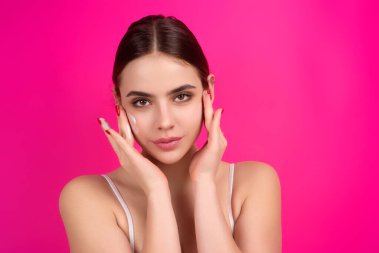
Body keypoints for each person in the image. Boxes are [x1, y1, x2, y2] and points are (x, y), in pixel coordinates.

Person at [59, 14, 282, 253]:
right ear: (119, 101)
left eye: (181, 97)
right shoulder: (88, 198)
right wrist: (156, 190)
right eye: (142, 101)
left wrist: (204, 182)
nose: (164, 122)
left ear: (209, 91)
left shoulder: (251, 183)